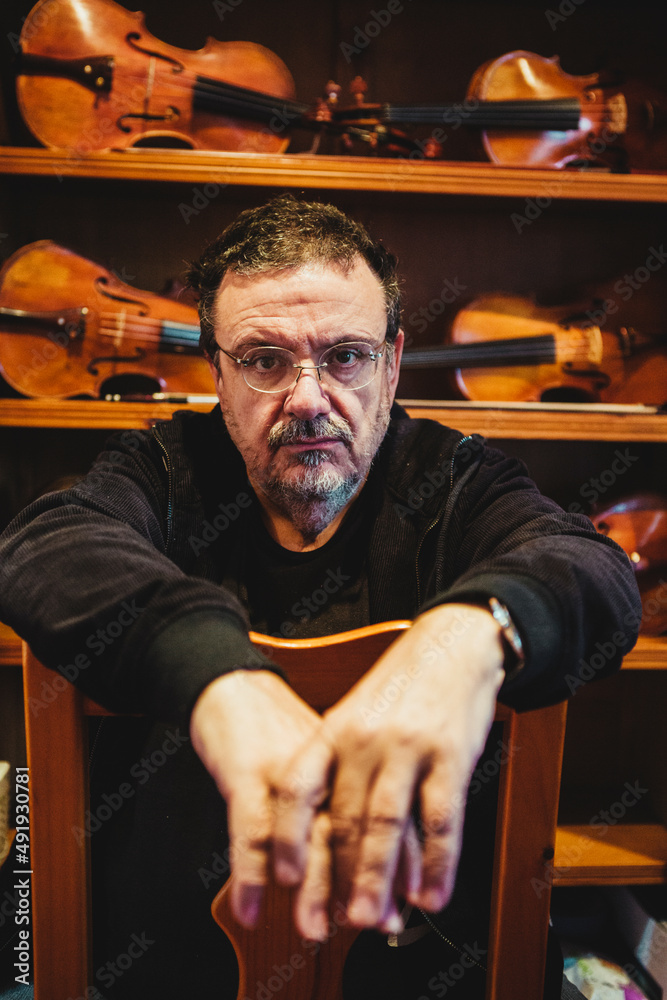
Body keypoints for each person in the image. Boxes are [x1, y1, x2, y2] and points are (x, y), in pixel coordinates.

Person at [0, 195, 641, 999]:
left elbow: (592, 568)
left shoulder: (452, 478)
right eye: (265, 360)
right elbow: (45, 547)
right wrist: (221, 680)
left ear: (392, 363)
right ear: (218, 374)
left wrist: (465, 637)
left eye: (345, 356)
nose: (307, 397)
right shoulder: (169, 469)